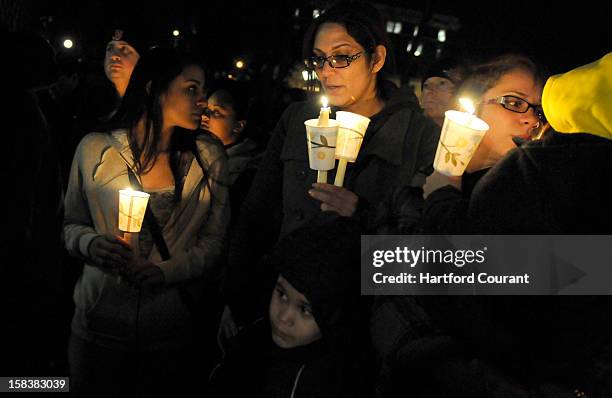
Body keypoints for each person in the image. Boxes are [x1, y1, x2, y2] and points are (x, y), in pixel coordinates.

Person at [225, 0, 439, 329]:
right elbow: (257, 214)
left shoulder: (419, 135)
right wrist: (238, 298)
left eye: (341, 57)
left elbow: (424, 249)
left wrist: (363, 215)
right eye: (319, 59)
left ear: (376, 58)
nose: (326, 71)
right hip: (281, 305)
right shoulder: (298, 119)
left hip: (359, 321)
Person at [63, 46, 230, 396]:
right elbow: (70, 224)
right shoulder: (96, 149)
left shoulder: (208, 156)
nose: (203, 99)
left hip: (170, 332)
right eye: (191, 89)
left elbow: (214, 241)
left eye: (204, 89)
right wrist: (92, 244)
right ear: (154, 88)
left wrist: (167, 271)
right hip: (99, 326)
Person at [210, 212, 372, 397]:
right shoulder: (250, 340)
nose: (284, 318)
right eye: (282, 294)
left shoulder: (335, 381)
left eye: (305, 310)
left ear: (335, 315)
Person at [422, 54, 547, 233]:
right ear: (471, 105)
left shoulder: (525, 195)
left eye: (539, 111)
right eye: (514, 102)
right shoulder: (422, 172)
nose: (533, 119)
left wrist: (441, 201)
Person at [201, 80, 262, 218]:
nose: (205, 117)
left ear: (238, 126)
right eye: (206, 110)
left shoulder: (247, 172)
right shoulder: (194, 154)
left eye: (216, 112)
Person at [420, 57, 468, 127]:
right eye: (426, 85)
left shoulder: (470, 132)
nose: (429, 91)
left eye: (441, 83)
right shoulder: (409, 127)